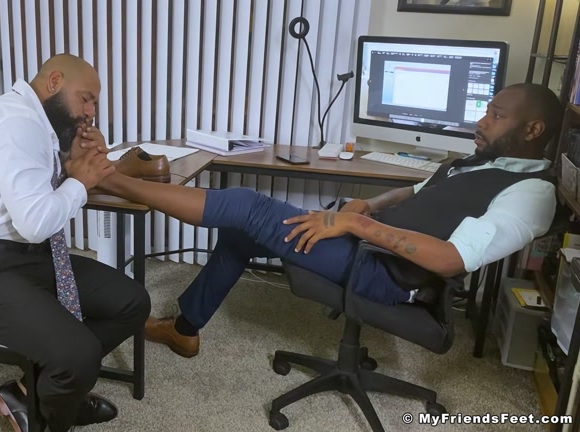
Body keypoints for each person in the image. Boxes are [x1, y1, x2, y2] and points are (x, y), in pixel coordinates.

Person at [84, 83, 560, 359]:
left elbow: (454, 260)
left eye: (495, 115)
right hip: (369, 245)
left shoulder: (532, 194)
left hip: (387, 275)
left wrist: (358, 226)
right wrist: (369, 206)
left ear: (532, 130)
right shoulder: (479, 162)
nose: (482, 120)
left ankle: (109, 179)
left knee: (250, 206)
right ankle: (185, 330)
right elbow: (415, 191)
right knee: (241, 228)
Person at [0, 54, 151, 432]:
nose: (91, 112)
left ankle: (36, 394)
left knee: (132, 302)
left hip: (22, 257)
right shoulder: (16, 123)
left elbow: (34, 200)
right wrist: (78, 182)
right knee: (78, 356)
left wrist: (70, 164)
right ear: (54, 82)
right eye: (86, 98)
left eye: (94, 103)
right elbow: (35, 223)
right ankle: (54, 408)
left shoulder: (34, 123)